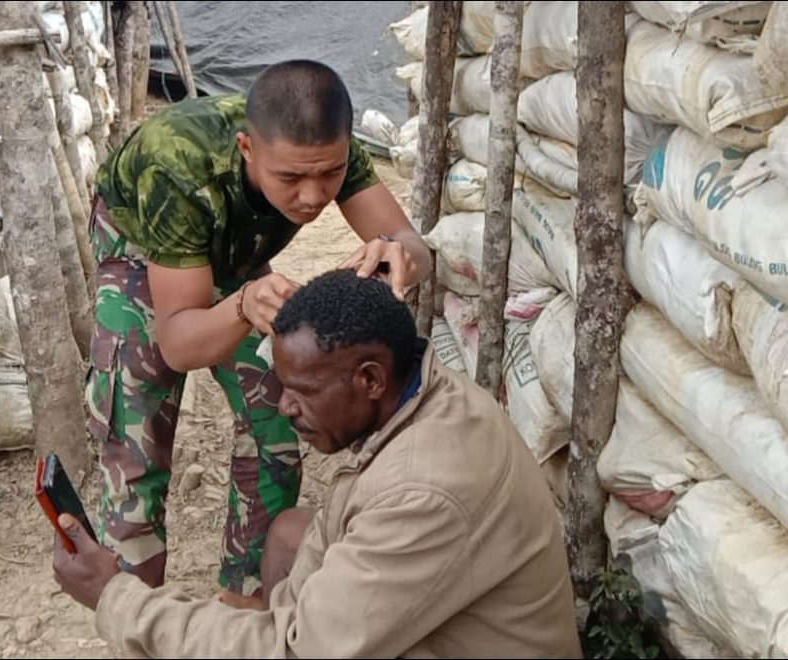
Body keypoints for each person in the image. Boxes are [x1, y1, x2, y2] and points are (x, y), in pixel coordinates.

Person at [55, 269, 584, 658]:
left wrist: (117, 598)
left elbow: (299, 653)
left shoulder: (424, 488)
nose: (284, 406)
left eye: (303, 391)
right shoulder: (423, 391)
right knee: (288, 533)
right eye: (282, 386)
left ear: (371, 380)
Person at [85, 59, 433, 609]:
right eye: (291, 178)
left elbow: (413, 246)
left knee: (279, 410)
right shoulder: (176, 164)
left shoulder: (326, 148)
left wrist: (399, 256)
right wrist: (242, 303)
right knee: (138, 428)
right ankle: (134, 615)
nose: (314, 197)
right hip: (142, 250)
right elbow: (178, 343)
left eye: (330, 174)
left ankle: (245, 601)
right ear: (247, 148)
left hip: (234, 252)